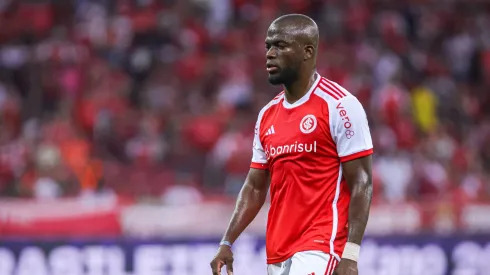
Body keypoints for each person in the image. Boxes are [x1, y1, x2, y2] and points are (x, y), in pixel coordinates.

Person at [210, 14, 373, 275]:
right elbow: (254, 187)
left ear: (307, 51)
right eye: (268, 46)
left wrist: (350, 254)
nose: (270, 54)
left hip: (322, 247)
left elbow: (362, 181)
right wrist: (226, 241)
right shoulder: (267, 115)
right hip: (277, 251)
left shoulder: (340, 105)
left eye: (280, 46)